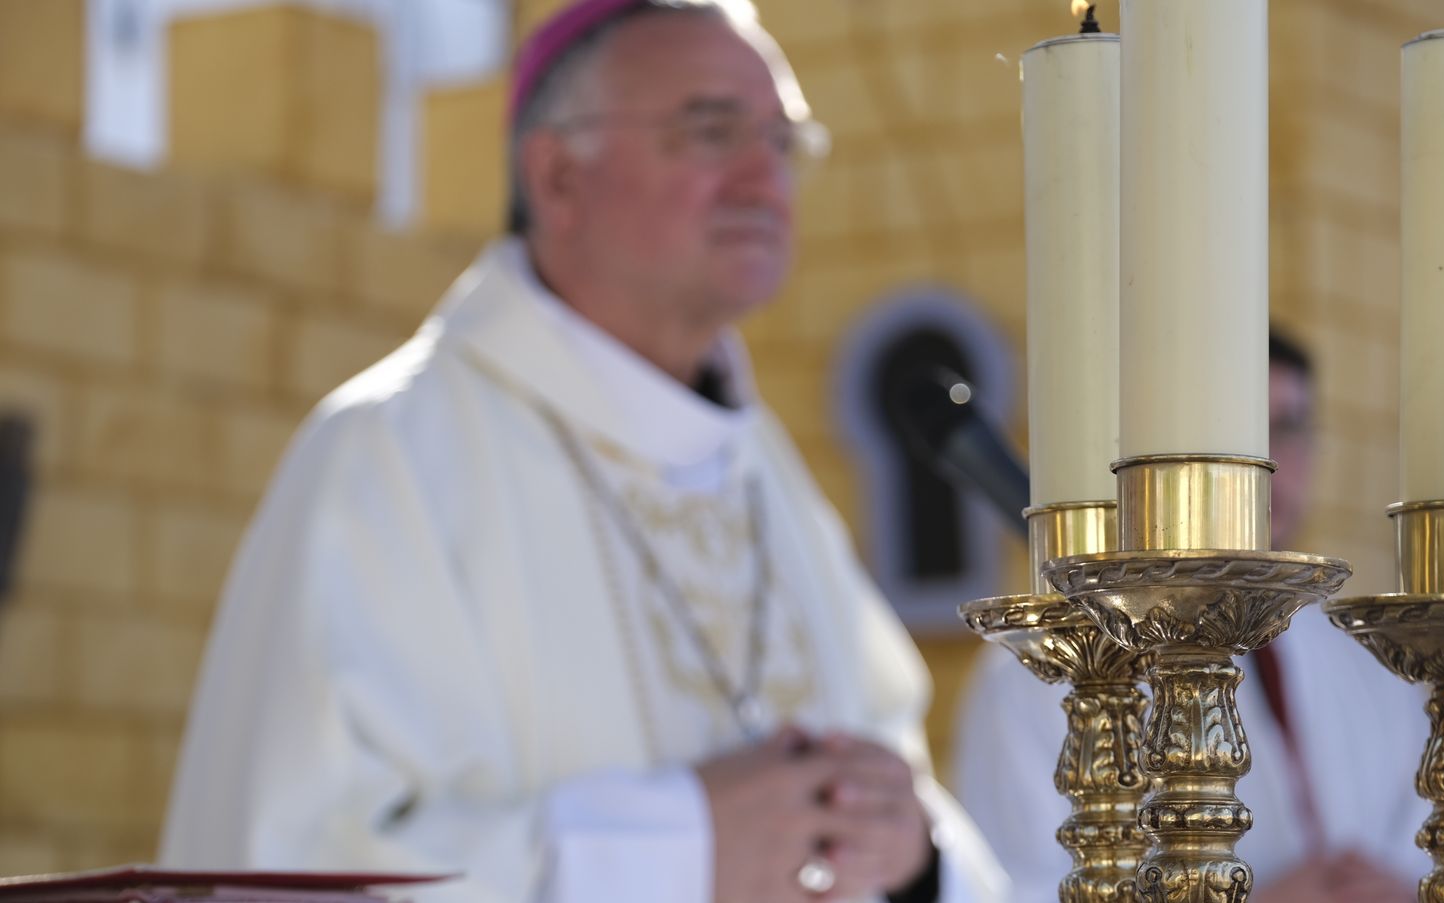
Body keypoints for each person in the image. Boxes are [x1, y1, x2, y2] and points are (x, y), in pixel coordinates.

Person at [159, 2, 1007, 901]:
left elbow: (910, 797)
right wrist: (672, 848)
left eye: (783, 141)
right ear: (559, 175)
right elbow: (289, 865)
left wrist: (915, 857)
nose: (767, 180)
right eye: (713, 131)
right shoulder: (388, 456)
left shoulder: (772, 480)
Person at [952, 332, 1430, 902]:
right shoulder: (1040, 670)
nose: (1270, 464)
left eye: (1290, 426)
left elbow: (1424, 849)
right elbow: (1006, 887)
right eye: (1245, 434)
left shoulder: (1372, 662)